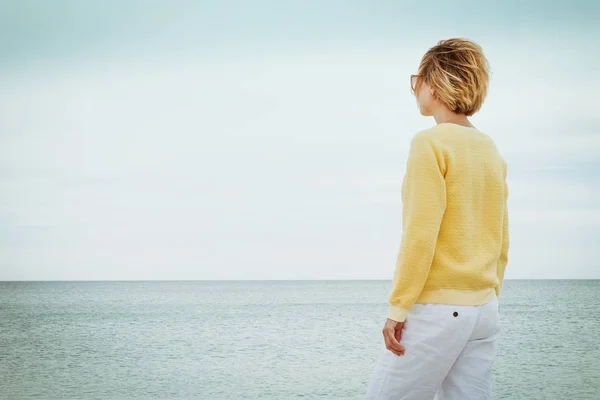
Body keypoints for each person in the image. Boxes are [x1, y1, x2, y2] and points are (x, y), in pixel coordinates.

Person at [364, 38, 509, 400]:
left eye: (418, 79)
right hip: (483, 310)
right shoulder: (489, 148)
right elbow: (501, 238)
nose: (415, 88)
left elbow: (420, 234)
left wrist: (398, 308)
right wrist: (490, 294)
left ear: (435, 82)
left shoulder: (429, 143)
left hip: (439, 310)